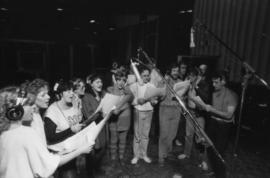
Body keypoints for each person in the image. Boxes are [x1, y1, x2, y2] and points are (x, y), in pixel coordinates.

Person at [0, 86, 92, 178]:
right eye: (29, 104)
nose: (33, 107)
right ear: (16, 111)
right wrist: (80, 150)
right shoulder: (27, 133)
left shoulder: (4, 133)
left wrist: (53, 155)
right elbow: (49, 164)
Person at [44, 81, 84, 178]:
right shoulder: (52, 111)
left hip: (73, 149)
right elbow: (50, 137)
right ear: (60, 93)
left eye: (72, 90)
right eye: (67, 91)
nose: (71, 93)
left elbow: (79, 122)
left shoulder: (73, 105)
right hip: (61, 154)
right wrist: (71, 131)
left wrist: (79, 108)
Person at [204, 71, 238, 178]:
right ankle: (214, 171)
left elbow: (228, 115)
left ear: (223, 82)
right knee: (209, 148)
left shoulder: (231, 95)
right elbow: (214, 110)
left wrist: (212, 110)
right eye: (213, 82)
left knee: (218, 152)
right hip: (213, 123)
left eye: (216, 82)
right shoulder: (214, 93)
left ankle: (221, 175)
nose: (213, 85)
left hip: (224, 126)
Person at [82, 74, 108, 176]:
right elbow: (88, 115)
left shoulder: (103, 95)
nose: (100, 84)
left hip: (102, 126)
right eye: (97, 82)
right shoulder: (86, 97)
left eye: (101, 82)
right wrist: (101, 112)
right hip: (92, 128)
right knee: (92, 151)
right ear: (91, 84)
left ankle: (97, 167)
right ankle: (90, 172)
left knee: (102, 147)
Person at [129, 67, 157, 164]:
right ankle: (136, 155)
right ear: (139, 76)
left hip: (149, 111)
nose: (146, 77)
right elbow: (130, 100)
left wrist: (154, 101)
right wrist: (137, 101)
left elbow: (155, 100)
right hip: (138, 111)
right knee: (137, 135)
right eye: (144, 75)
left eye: (147, 75)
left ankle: (143, 154)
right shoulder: (134, 86)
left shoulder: (152, 86)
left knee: (145, 135)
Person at [107, 70, 133, 165]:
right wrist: (115, 86)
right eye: (118, 79)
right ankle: (113, 158)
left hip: (125, 119)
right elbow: (113, 98)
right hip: (114, 120)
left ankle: (121, 157)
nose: (120, 82)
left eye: (123, 80)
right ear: (115, 80)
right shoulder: (110, 89)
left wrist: (125, 87)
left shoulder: (128, 90)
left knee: (123, 139)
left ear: (125, 81)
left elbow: (131, 98)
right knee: (113, 140)